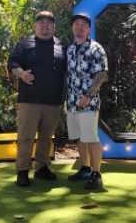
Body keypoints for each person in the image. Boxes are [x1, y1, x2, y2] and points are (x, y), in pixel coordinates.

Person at [8, 11, 66, 187]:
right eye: (41, 22)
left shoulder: (61, 45)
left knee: (46, 138)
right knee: (25, 137)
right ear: (35, 25)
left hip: (53, 102)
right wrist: (22, 74)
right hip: (29, 101)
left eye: (49, 23)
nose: (45, 26)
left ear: (54, 26)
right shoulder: (25, 44)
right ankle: (23, 171)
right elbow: (12, 63)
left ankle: (41, 168)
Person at [66, 13, 108, 190]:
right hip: (72, 102)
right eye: (76, 24)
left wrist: (89, 96)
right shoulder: (69, 49)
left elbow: (102, 74)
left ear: (89, 29)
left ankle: (97, 174)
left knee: (91, 138)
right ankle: (85, 168)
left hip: (88, 103)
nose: (80, 27)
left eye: (84, 24)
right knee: (79, 138)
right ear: (72, 27)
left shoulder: (96, 48)